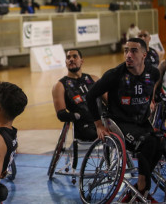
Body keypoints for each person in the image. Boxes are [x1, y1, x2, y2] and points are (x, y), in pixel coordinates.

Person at [86, 38, 162, 202]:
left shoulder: (153, 73)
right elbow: (91, 96)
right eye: (126, 50)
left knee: (160, 143)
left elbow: (152, 89)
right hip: (120, 123)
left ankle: (136, 191)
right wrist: (98, 125)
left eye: (133, 51)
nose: (128, 55)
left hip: (141, 123)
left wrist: (152, 100)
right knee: (148, 144)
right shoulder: (114, 75)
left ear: (144, 54)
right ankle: (142, 191)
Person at [52, 49, 99, 141]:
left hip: (102, 122)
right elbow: (61, 114)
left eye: (75, 56)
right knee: (96, 135)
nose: (71, 59)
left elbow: (109, 100)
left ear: (82, 61)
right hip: (84, 126)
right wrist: (77, 116)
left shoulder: (94, 79)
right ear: (66, 62)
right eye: (68, 57)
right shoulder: (60, 85)